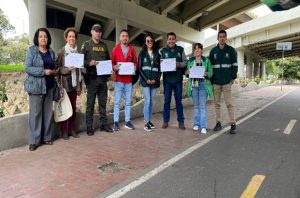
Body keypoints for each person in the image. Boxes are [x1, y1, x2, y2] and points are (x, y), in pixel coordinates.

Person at [24, 27, 58, 151]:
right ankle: (34, 140)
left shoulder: (51, 51)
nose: (43, 38)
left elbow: (54, 65)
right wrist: (43, 71)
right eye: (41, 36)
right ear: (37, 39)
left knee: (48, 113)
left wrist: (55, 71)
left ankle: (47, 137)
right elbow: (27, 68)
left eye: (45, 36)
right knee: (35, 114)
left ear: (48, 39)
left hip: (49, 86)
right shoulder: (32, 51)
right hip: (36, 87)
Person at [80, 24, 113, 136]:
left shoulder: (104, 45)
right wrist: (89, 63)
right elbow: (79, 60)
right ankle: (89, 127)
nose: (98, 33)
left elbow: (108, 60)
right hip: (91, 79)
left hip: (103, 79)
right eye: (96, 31)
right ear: (91, 32)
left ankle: (104, 125)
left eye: (100, 31)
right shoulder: (86, 44)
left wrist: (110, 70)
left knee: (103, 103)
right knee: (90, 104)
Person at [209, 29, 238, 134]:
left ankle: (233, 123)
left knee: (229, 103)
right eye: (220, 36)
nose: (222, 38)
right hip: (216, 82)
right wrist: (211, 80)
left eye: (223, 36)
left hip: (226, 82)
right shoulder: (213, 51)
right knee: (217, 104)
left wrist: (233, 77)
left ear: (226, 38)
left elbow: (235, 65)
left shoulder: (231, 50)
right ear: (218, 38)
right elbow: (210, 67)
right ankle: (218, 123)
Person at [56, 27, 82, 139]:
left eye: (73, 36)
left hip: (75, 84)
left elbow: (79, 71)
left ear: (75, 38)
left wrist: (80, 87)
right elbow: (57, 69)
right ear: (66, 38)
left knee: (73, 108)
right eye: (69, 36)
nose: (72, 38)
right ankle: (63, 132)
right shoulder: (61, 52)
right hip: (65, 84)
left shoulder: (78, 53)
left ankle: (72, 129)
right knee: (65, 108)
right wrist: (67, 70)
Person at [160, 32, 187, 129]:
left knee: (178, 101)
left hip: (178, 80)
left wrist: (179, 64)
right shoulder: (163, 51)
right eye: (169, 39)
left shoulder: (180, 50)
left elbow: (186, 62)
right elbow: (160, 65)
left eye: (173, 39)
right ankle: (165, 121)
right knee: (166, 101)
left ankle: (181, 121)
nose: (171, 41)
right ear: (167, 40)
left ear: (175, 40)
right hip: (167, 80)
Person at [111, 29, 138, 131]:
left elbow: (135, 62)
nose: (125, 38)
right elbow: (112, 63)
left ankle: (127, 122)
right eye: (123, 36)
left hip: (128, 80)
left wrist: (134, 67)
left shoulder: (132, 49)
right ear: (120, 38)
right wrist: (114, 67)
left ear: (128, 38)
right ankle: (116, 122)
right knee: (117, 102)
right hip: (119, 80)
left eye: (126, 36)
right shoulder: (115, 49)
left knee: (127, 102)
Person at [185, 43, 213, 134]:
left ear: (201, 50)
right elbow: (186, 73)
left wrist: (205, 73)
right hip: (194, 85)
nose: (197, 50)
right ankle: (196, 124)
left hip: (203, 85)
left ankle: (203, 126)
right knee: (196, 106)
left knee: (202, 106)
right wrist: (188, 72)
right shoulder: (190, 61)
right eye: (195, 49)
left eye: (198, 48)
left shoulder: (206, 60)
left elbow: (211, 73)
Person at [138, 33, 161, 132]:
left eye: (151, 40)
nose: (150, 42)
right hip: (145, 81)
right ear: (145, 42)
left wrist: (155, 80)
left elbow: (160, 69)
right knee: (147, 101)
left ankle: (149, 120)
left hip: (154, 82)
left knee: (151, 102)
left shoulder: (157, 54)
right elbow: (139, 68)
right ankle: (146, 122)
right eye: (148, 41)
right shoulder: (142, 53)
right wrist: (146, 79)